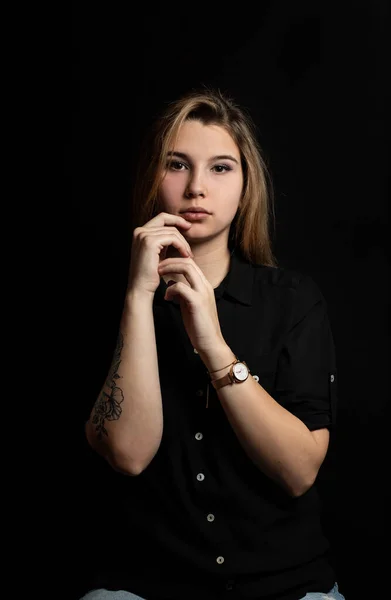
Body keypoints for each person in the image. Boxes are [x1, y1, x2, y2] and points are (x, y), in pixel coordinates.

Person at [80, 87, 345, 600]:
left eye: (221, 168)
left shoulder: (294, 301)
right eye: (177, 164)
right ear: (153, 179)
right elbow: (129, 455)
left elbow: (298, 473)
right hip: (149, 586)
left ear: (246, 187)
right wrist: (139, 296)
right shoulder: (107, 298)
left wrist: (213, 343)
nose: (197, 187)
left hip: (282, 586)